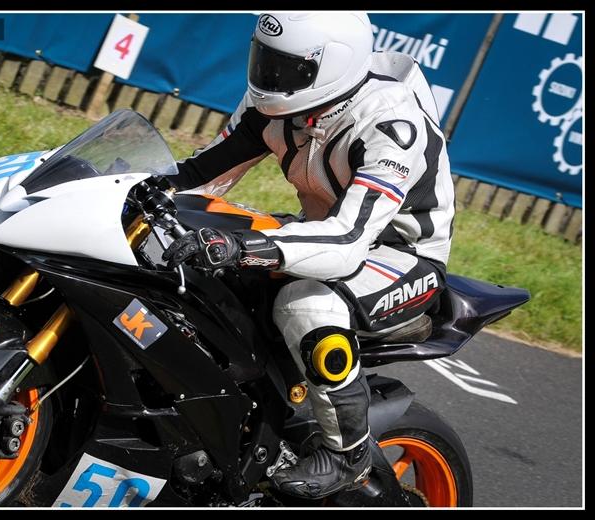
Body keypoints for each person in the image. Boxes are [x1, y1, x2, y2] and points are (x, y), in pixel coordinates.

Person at [162, 12, 455, 499]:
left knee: (306, 304)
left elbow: (347, 242)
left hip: (399, 255)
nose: (270, 77)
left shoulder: (389, 125)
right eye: (266, 61)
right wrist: (115, 187)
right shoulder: (277, 104)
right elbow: (198, 177)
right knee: (192, 259)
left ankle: (348, 451)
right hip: (320, 230)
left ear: (331, 67)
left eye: (287, 68)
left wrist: (246, 247)